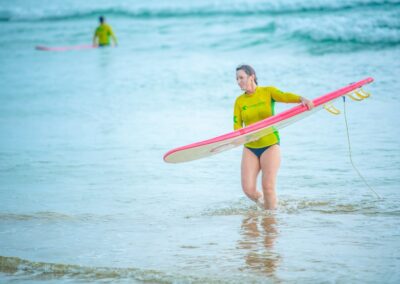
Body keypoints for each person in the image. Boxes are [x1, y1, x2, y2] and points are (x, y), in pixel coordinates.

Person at [234, 65, 314, 210]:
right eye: (237, 79)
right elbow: (237, 127)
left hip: (270, 144)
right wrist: (242, 138)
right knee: (248, 189)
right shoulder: (239, 101)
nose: (238, 81)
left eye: (241, 78)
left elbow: (284, 96)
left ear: (251, 76)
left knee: (268, 186)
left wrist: (301, 99)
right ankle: (268, 206)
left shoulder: (267, 91)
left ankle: (270, 220)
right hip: (250, 147)